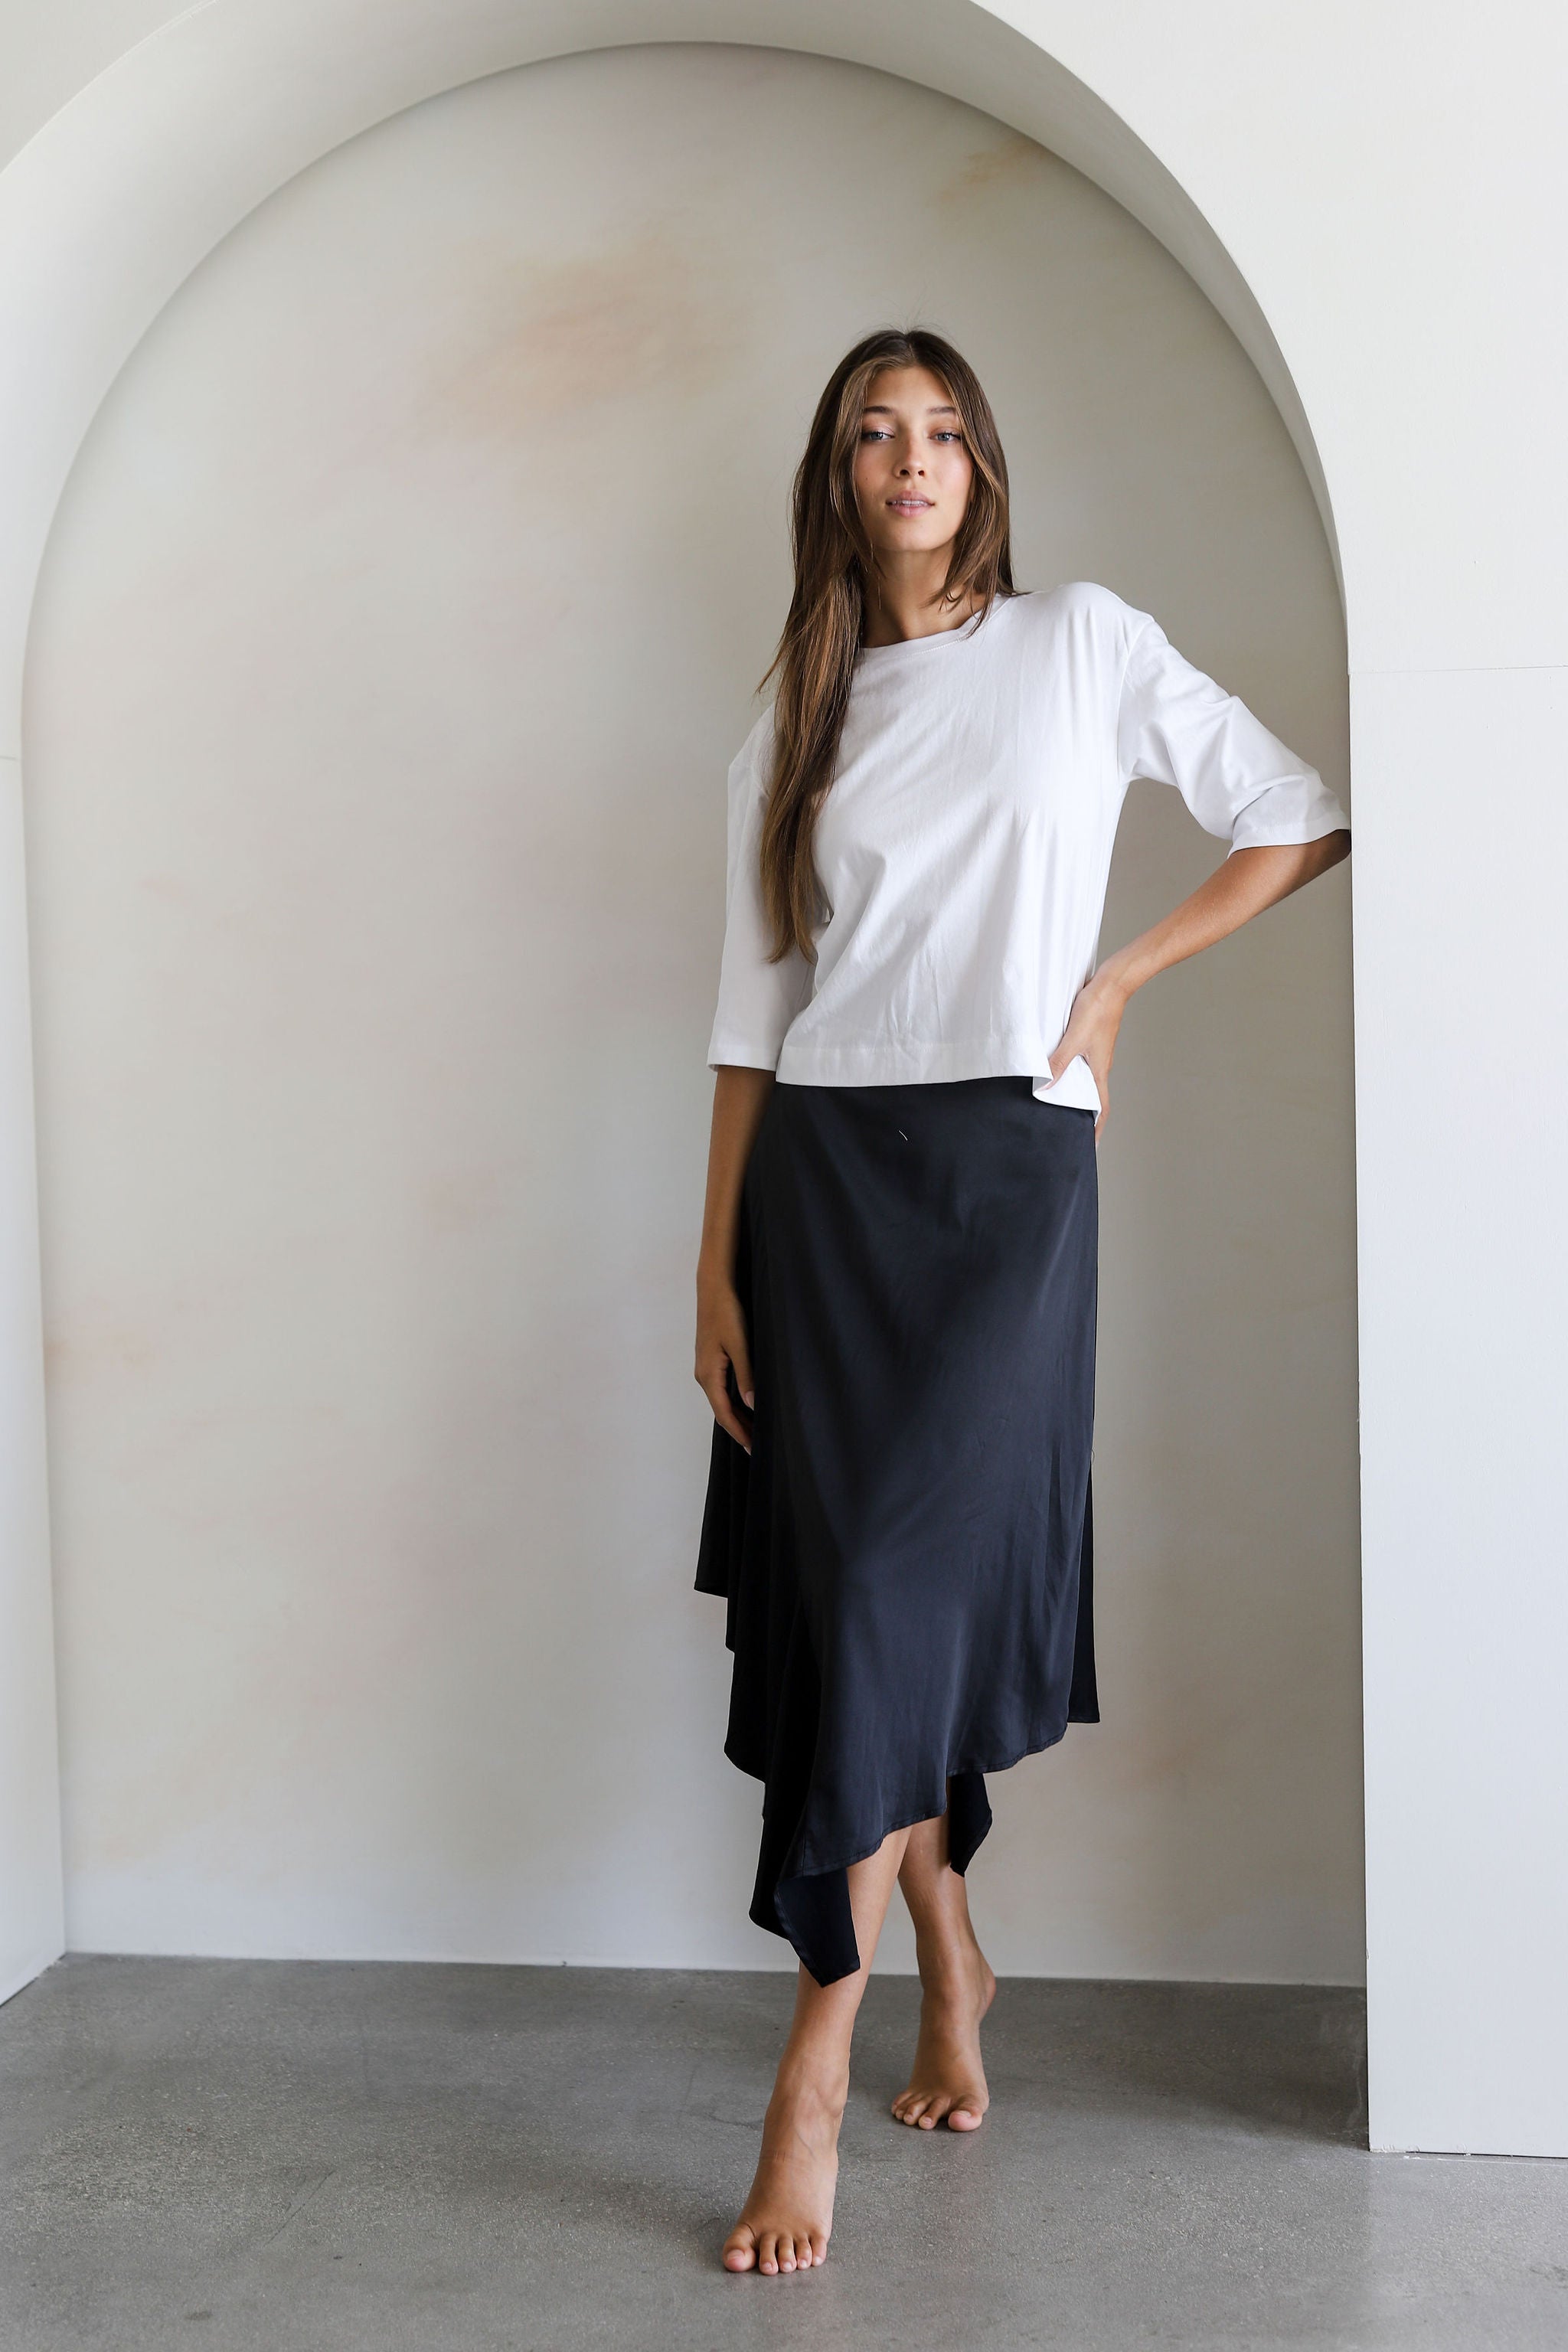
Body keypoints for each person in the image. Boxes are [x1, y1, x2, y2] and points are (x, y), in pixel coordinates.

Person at [692, 325, 1350, 2278]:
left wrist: (1118, 981)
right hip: (820, 1184)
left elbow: (1292, 809)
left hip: (1005, 1176)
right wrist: (709, 1258)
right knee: (850, 1605)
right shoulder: (797, 707)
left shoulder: (1079, 642)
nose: (911, 461)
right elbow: (751, 1008)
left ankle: (811, 2075)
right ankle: (949, 1947)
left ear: (982, 465)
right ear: (836, 477)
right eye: (872, 435)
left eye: (942, 432)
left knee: (900, 1594)